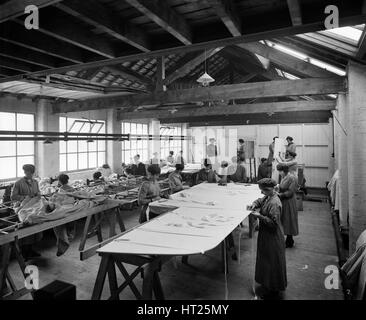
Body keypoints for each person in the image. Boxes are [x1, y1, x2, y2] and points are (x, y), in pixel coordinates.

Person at [249, 178, 287, 300]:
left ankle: (274, 290)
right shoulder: (268, 197)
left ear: (269, 189)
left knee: (272, 262)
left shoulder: (275, 203)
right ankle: (268, 284)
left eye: (263, 191)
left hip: (273, 237)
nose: (261, 193)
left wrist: (259, 216)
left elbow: (273, 224)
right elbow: (260, 201)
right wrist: (254, 204)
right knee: (266, 260)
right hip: (266, 236)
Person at [11, 164, 42, 260]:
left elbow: (38, 193)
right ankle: (24, 252)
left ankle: (31, 250)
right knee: (26, 228)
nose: (30, 174)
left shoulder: (35, 182)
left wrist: (38, 194)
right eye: (28, 172)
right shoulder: (18, 183)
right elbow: (13, 197)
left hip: (33, 207)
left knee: (35, 227)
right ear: (25, 172)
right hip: (24, 208)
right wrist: (25, 198)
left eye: (32, 173)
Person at [276, 164, 299, 248]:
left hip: (289, 201)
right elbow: (282, 186)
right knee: (285, 220)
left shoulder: (292, 178)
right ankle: (288, 239)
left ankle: (290, 240)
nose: (279, 173)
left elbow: (290, 192)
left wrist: (280, 195)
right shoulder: (285, 177)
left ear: (284, 171)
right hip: (284, 201)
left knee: (289, 220)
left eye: (280, 171)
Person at [53, 174, 76, 256]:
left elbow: (58, 200)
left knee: (57, 223)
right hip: (72, 207)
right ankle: (70, 235)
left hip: (64, 208)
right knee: (70, 223)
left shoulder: (60, 190)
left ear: (59, 181)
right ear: (67, 180)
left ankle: (64, 243)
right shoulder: (72, 188)